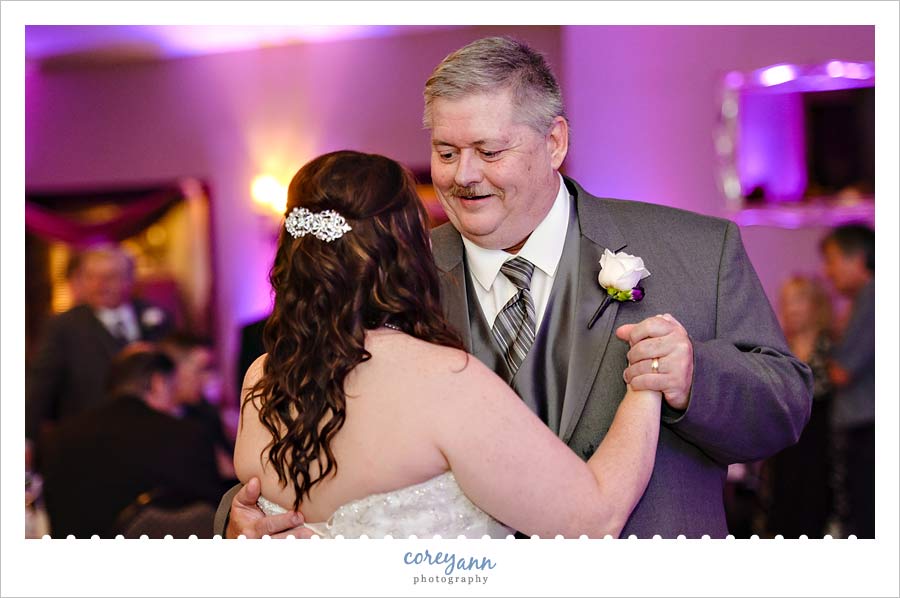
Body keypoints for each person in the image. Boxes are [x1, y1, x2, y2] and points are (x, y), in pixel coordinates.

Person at [221, 36, 813, 539]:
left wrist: (693, 379)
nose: (463, 175)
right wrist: (240, 517)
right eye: (446, 152)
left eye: (489, 150)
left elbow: (786, 407)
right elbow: (317, 455)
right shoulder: (389, 274)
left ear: (554, 142)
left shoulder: (695, 250)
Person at [231, 150, 662, 539]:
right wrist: (649, 380)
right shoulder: (446, 382)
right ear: (407, 250)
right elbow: (595, 521)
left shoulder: (261, 380)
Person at [40, 348, 224, 538]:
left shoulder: (59, 438)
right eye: (173, 387)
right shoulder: (188, 436)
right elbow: (211, 518)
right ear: (158, 383)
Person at [26, 244, 173, 446]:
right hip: (89, 437)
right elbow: (40, 385)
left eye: (110, 277)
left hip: (151, 434)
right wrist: (26, 437)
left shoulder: (156, 316)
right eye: (91, 277)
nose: (99, 284)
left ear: (129, 279)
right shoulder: (64, 326)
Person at [764, 275, 835, 538]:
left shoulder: (831, 348)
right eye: (787, 301)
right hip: (785, 445)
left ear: (815, 303)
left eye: (799, 300)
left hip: (822, 445)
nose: (791, 308)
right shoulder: (779, 349)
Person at [820, 224, 875, 538]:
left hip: (866, 429)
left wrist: (823, 349)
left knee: (865, 521)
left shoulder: (872, 297)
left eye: (832, 260)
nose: (828, 272)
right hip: (862, 428)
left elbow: (841, 371)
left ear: (858, 258)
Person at [159, 332, 236, 482]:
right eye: (200, 369)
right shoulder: (153, 423)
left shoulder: (207, 415)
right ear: (173, 371)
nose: (207, 379)